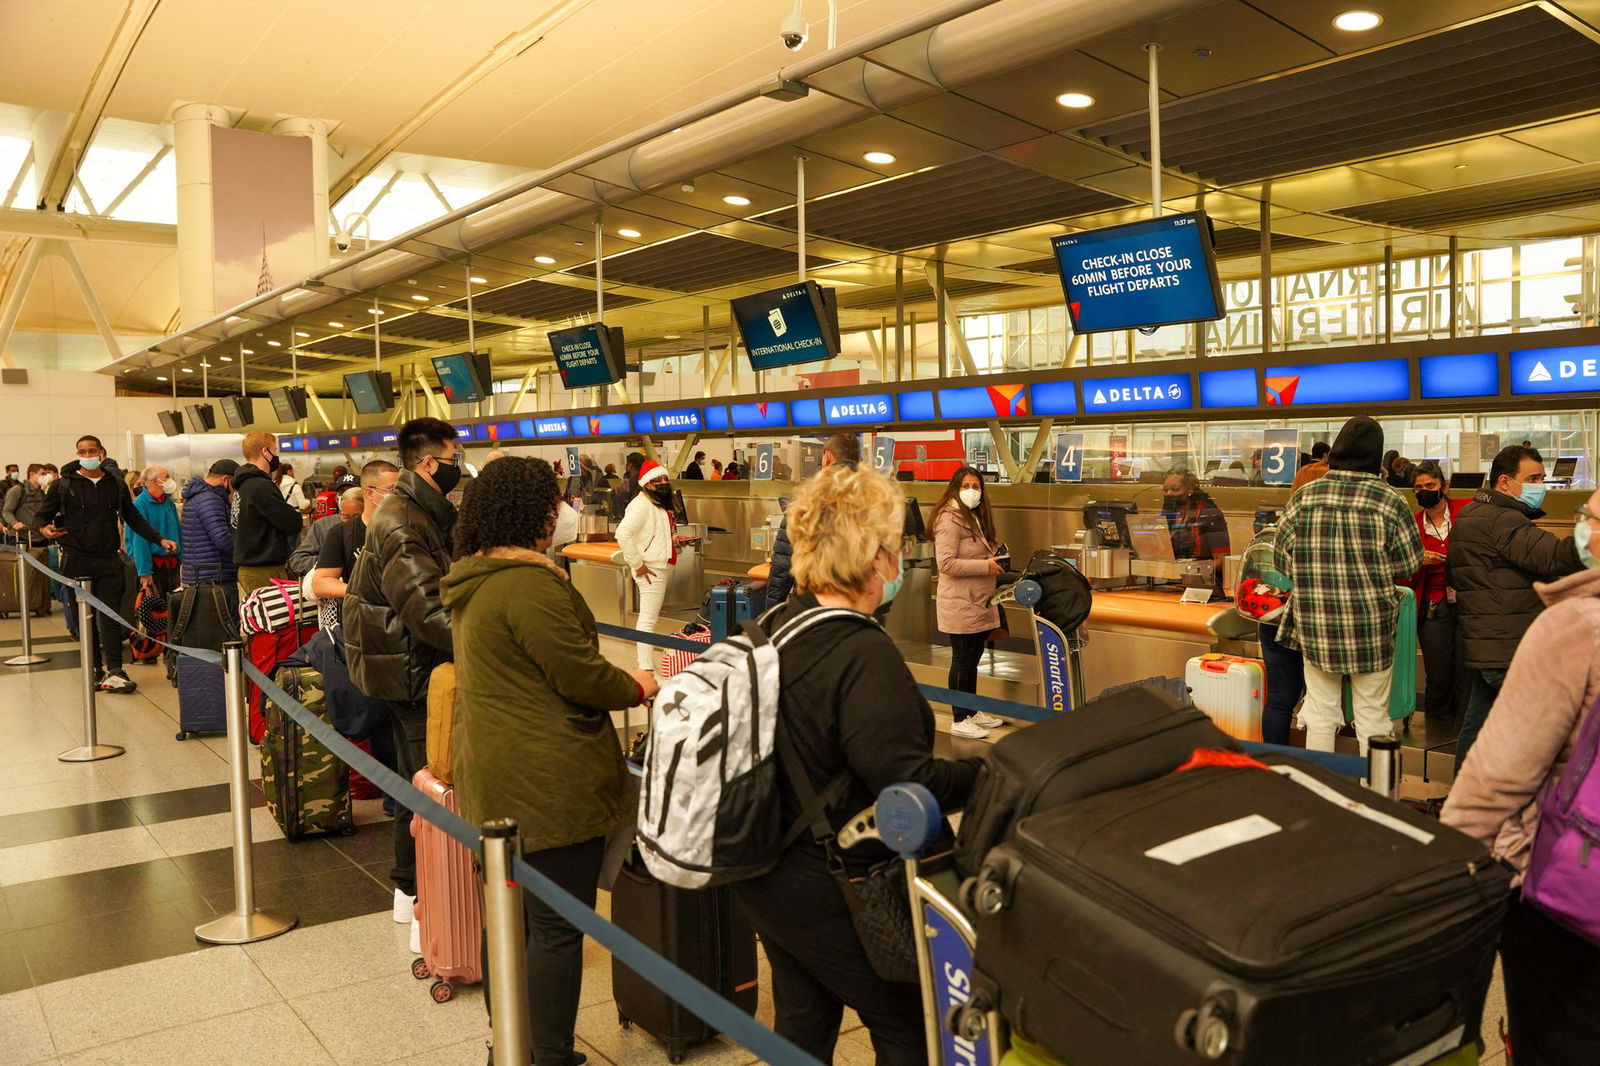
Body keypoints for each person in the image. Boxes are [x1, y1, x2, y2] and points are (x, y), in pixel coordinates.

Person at [732, 462, 982, 1065]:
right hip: (834, 880)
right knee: (904, 1022)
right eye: (894, 545)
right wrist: (989, 772)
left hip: (764, 861)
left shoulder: (771, 625)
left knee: (805, 1012)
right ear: (874, 556)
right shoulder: (861, 650)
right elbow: (908, 784)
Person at [441, 456, 658, 1066]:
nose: (562, 511)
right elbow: (580, 676)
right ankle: (549, 1055)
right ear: (533, 515)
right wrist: (638, 685)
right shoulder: (529, 584)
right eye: (553, 504)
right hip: (547, 780)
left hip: (495, 770)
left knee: (509, 920)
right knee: (556, 929)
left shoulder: (475, 577)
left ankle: (511, 1043)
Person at [1441, 488, 1600, 1064]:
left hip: (1572, 889)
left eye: (1588, 517)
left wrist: (1450, 870)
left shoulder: (1575, 628)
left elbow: (1498, 775)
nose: (1579, 527)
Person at [344, 420, 459, 951]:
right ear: (429, 462)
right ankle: (426, 916)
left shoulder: (417, 513)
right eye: (454, 455)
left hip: (403, 665)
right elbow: (429, 612)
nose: (461, 464)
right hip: (412, 671)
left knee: (416, 785)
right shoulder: (402, 521)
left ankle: (407, 893)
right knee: (431, 791)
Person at [1273, 416, 1423, 754]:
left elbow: (1282, 560)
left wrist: (1316, 577)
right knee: (1372, 716)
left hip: (1316, 624)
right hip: (1371, 627)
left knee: (1321, 712)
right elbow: (1408, 564)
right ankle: (1376, 797)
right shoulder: (1390, 500)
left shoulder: (1304, 497)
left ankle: (1321, 794)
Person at [1447, 444, 1584, 769]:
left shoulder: (1469, 514)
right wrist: (1589, 535)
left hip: (1487, 644)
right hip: (1511, 647)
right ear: (1505, 482)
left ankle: (1460, 804)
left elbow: (1455, 573)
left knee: (1477, 724)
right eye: (1533, 478)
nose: (1540, 486)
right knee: (1542, 731)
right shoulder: (1504, 520)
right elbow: (1554, 557)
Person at [32, 435, 177, 693]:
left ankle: (115, 669)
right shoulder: (63, 485)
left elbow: (132, 517)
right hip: (76, 560)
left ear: (101, 453)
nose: (87, 455)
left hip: (109, 560)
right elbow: (41, 516)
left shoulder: (116, 485)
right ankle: (94, 667)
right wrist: (44, 529)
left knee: (111, 616)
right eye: (82, 451)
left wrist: (159, 538)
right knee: (85, 619)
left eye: (91, 450)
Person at [933, 466, 1008, 740]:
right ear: (955, 488)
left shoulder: (973, 517)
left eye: (976, 486)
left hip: (977, 601)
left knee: (973, 658)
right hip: (960, 603)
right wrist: (985, 565)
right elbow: (946, 564)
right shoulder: (948, 519)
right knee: (963, 659)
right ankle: (959, 717)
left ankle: (972, 710)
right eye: (966, 485)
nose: (972, 491)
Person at [1257, 462, 1329, 745]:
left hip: (1273, 617)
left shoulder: (1274, 528)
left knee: (1279, 699)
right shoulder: (1325, 531)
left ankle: (1275, 762)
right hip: (1314, 618)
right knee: (1322, 697)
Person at [1401, 461, 1467, 725]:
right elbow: (1402, 572)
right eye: (1419, 488)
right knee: (1438, 671)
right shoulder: (1412, 524)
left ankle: (1464, 725)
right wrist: (1418, 561)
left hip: (1467, 601)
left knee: (1466, 668)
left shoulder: (1466, 511)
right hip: (1432, 605)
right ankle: (1437, 727)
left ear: (1445, 486)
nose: (1424, 491)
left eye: (1430, 485)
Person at [766, 434, 859, 607]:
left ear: (827, 457)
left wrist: (770, 615)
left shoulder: (805, 501)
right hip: (862, 607)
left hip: (813, 607)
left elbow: (782, 568)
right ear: (859, 460)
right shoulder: (875, 500)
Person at [309, 461, 399, 615]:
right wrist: (365, 592)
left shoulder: (408, 527)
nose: (398, 495)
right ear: (370, 493)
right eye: (391, 490)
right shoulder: (342, 532)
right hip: (364, 622)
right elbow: (321, 582)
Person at [615, 459, 680, 672]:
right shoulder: (641, 504)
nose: (662, 483)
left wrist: (674, 540)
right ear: (646, 483)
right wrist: (638, 564)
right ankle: (645, 666)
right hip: (651, 568)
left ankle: (646, 665)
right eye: (657, 480)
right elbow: (623, 533)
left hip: (659, 565)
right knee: (648, 620)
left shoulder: (655, 502)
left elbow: (654, 532)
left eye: (664, 479)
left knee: (649, 618)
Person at [232, 431, 306, 597]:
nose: (276, 455)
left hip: (249, 567)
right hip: (264, 569)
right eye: (275, 449)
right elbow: (291, 523)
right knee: (272, 620)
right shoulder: (261, 486)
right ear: (265, 452)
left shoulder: (241, 486)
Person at [180, 459, 238, 598]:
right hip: (215, 576)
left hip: (202, 574)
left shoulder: (197, 496)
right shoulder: (211, 500)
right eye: (234, 485)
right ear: (225, 480)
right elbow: (222, 538)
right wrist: (243, 552)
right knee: (228, 618)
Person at [125, 465, 182, 600]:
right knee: (155, 611)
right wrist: (144, 571)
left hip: (172, 564)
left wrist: (181, 558)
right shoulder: (139, 504)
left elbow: (178, 531)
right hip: (153, 566)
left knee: (174, 607)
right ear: (155, 481)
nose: (170, 480)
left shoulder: (169, 503)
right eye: (166, 477)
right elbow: (139, 540)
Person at [288, 475, 359, 580]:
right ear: (336, 497)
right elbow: (297, 560)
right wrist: (328, 563)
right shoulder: (322, 525)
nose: (348, 496)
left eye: (353, 492)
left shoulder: (373, 525)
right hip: (330, 588)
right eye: (342, 492)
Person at [1162, 469, 1230, 566]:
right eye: (1165, 490)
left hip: (1203, 578)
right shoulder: (1169, 513)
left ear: (1190, 490)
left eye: (1175, 489)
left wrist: (1192, 570)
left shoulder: (1209, 515)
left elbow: (1221, 560)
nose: (1169, 493)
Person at [4, 464, 53, 543]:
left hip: (39, 536)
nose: (46, 477)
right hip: (21, 537)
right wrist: (14, 523)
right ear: (32, 474)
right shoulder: (17, 490)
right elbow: (6, 511)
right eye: (43, 474)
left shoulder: (41, 493)